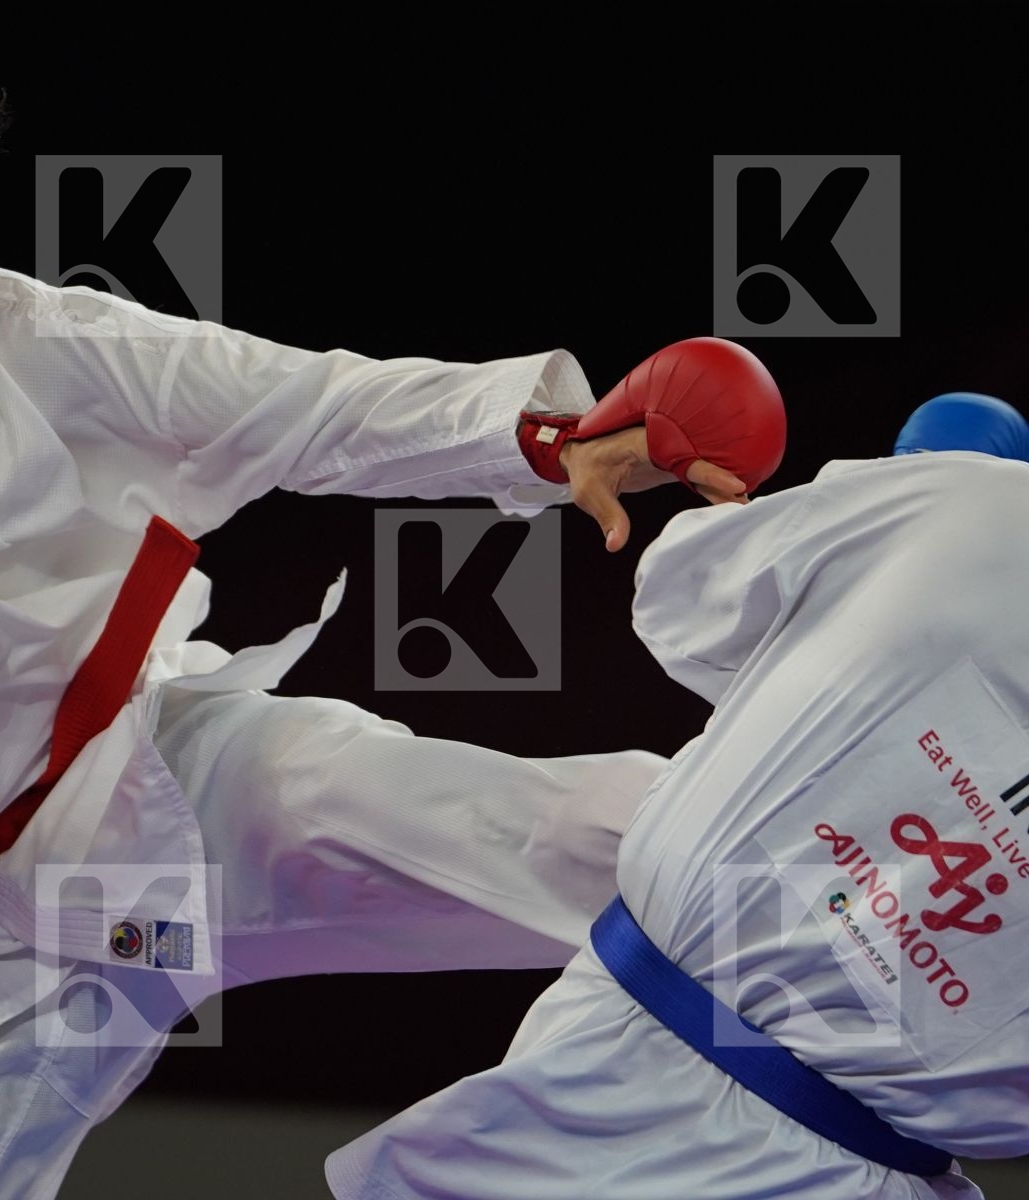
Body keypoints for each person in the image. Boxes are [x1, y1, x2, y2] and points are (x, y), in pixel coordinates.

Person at [0, 12, 751, 1197]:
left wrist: (544, 440)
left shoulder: (34, 336)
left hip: (172, 785)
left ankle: (860, 839)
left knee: (575, 835)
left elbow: (308, 403)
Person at [325, 393, 1029, 1199]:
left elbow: (681, 606)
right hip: (806, 1142)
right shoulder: (979, 502)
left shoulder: (980, 504)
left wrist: (897, 558)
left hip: (610, 1065)